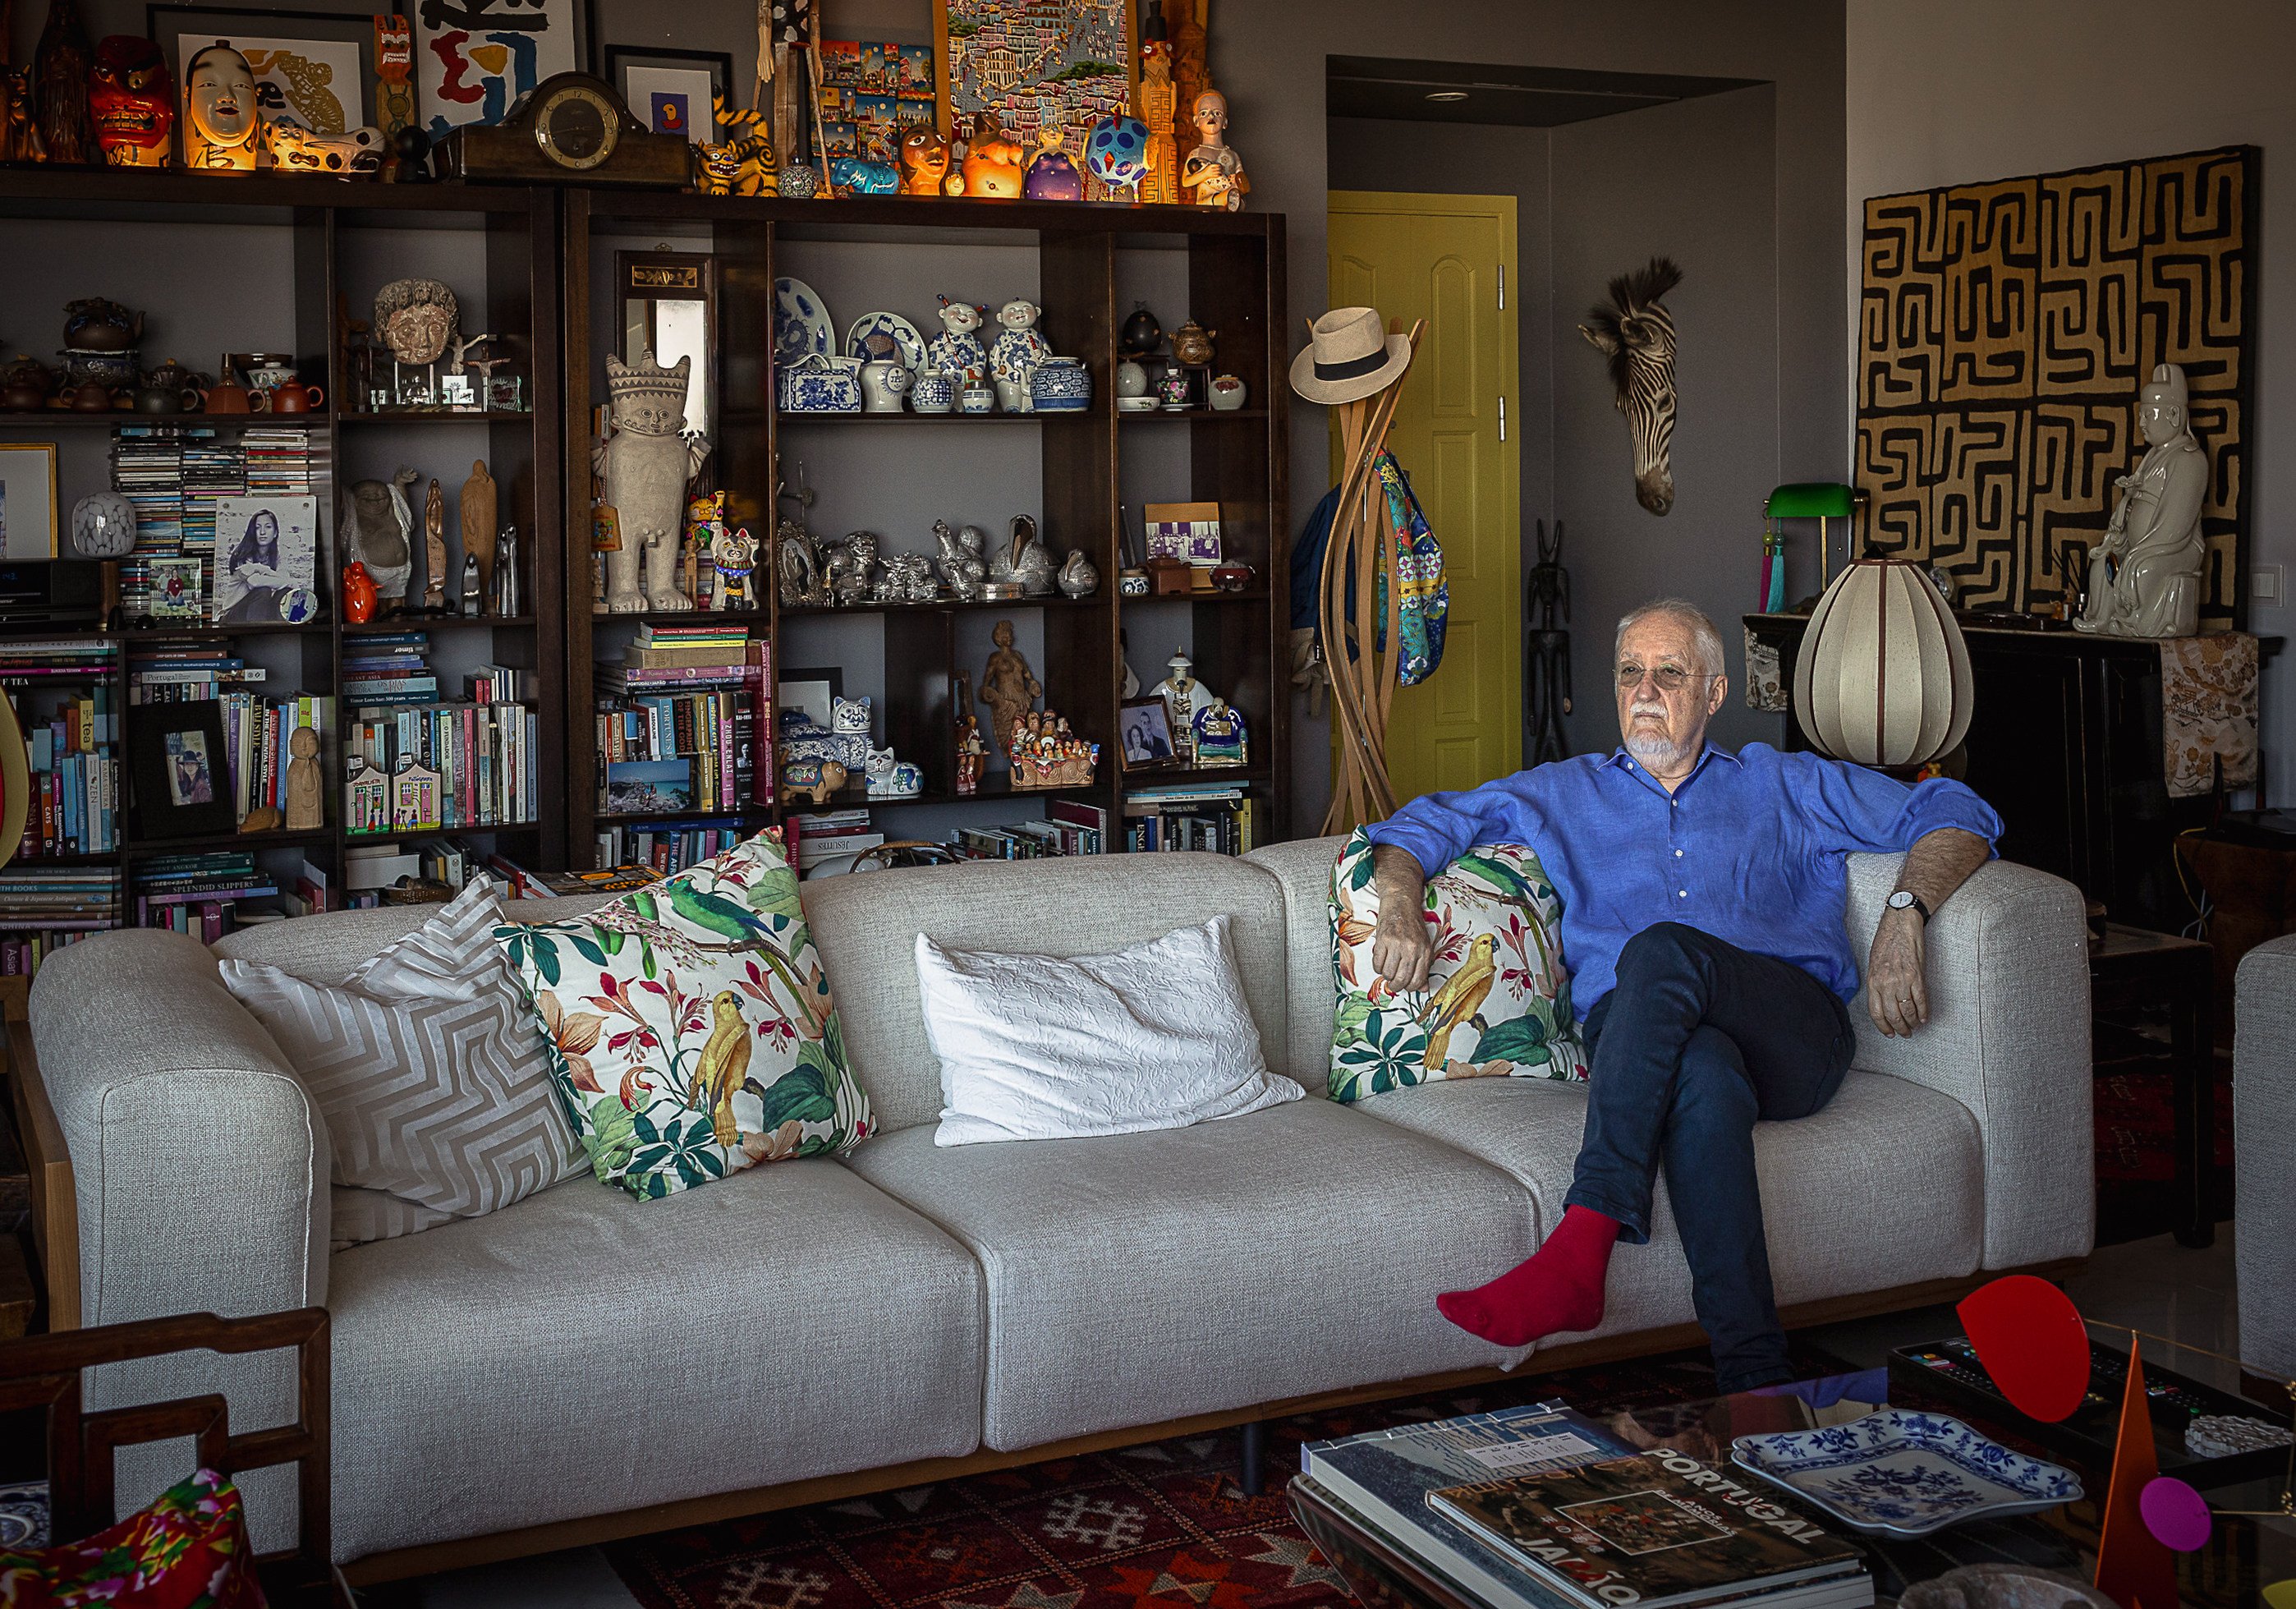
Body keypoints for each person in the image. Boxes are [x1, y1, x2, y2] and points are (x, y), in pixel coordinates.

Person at [1363, 598, 2001, 1391]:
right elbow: (1419, 824)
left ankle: (1582, 1243)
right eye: (1630, 672)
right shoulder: (1562, 794)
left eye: (1670, 673)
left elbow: (1957, 810)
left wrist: (1905, 915)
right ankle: (1757, 1379)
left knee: (1660, 951)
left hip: (1792, 1033)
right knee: (1699, 1073)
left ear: (1715, 692)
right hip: (1653, 1049)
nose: (1644, 690)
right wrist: (1396, 903)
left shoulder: (1786, 783)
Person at [216, 508, 290, 624]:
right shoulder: (242, 555)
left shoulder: (277, 557)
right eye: (257, 527)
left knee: (284, 592)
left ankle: (280, 631)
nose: (262, 532)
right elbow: (254, 582)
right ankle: (257, 633)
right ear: (252, 531)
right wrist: (279, 578)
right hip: (232, 615)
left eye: (268, 527)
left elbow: (285, 583)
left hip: (259, 611)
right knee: (263, 590)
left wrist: (284, 582)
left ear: (275, 533)